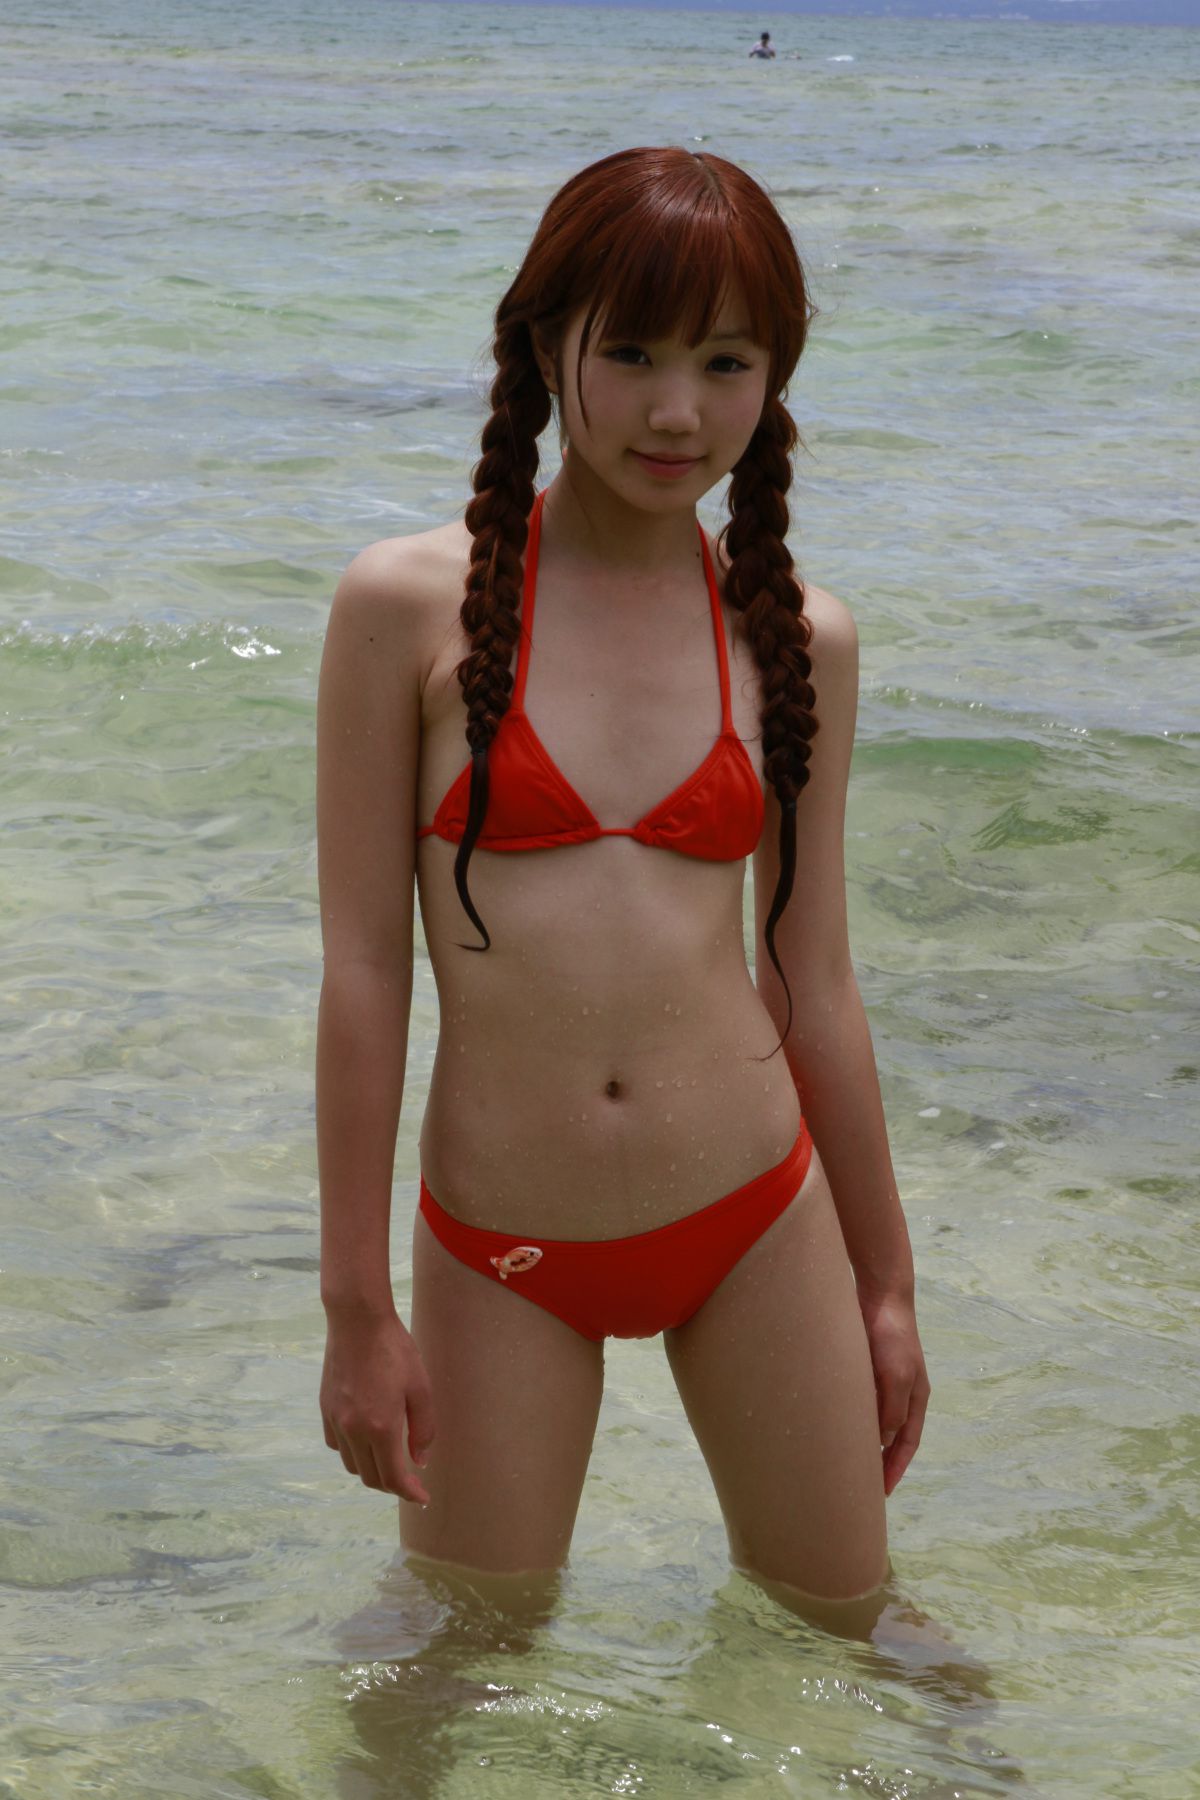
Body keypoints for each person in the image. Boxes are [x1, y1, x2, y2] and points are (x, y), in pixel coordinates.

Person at [316, 145, 930, 1626]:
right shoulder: (408, 607)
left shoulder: (798, 639)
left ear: (775, 377)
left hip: (756, 1213)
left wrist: (887, 1284)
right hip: (505, 1244)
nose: (677, 411)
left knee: (858, 1647)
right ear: (546, 348)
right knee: (456, 1668)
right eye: (635, 353)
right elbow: (365, 974)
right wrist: (355, 1307)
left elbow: (813, 979)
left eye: (726, 362)